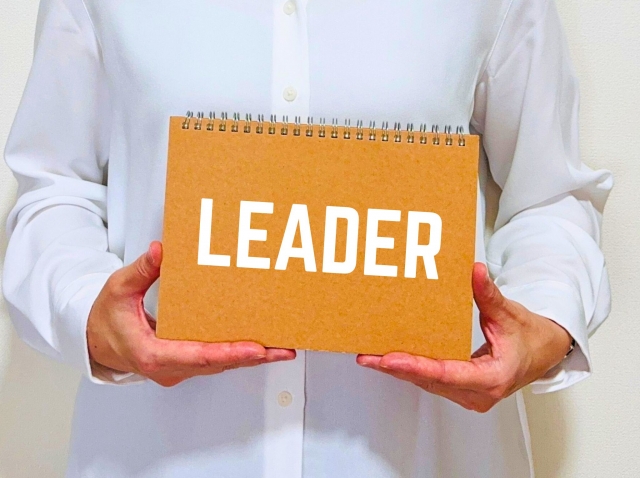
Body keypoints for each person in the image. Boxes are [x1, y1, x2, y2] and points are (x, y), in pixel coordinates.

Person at [2, 0, 613, 477]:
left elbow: (550, 194)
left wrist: (545, 325)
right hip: (162, 456)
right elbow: (53, 187)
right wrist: (86, 313)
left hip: (415, 456)